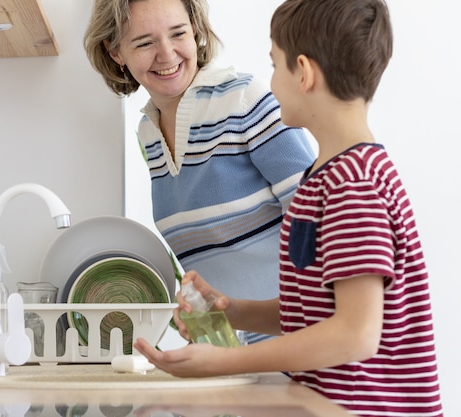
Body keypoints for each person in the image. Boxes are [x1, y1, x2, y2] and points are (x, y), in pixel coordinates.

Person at [133, 0, 443, 416]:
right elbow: (316, 311)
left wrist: (229, 362)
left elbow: (357, 334)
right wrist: (235, 310)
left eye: (275, 65)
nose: (270, 82)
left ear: (304, 73)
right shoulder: (321, 181)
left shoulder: (354, 185)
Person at [84, 0, 315, 344]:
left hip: (298, 350)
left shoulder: (244, 101)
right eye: (145, 42)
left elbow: (319, 226)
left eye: (178, 33)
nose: (167, 54)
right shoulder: (148, 132)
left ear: (194, 29)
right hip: (232, 362)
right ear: (115, 51)